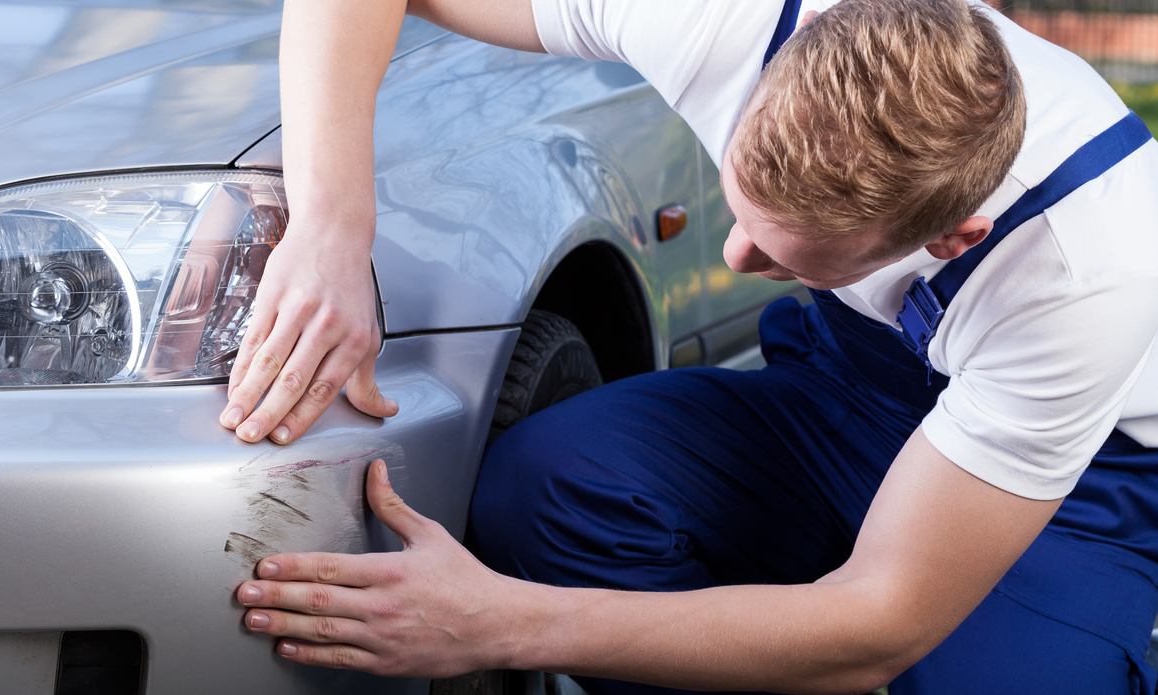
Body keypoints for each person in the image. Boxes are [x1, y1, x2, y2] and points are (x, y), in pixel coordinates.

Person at [232, 0, 1158, 692]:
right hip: (845, 395)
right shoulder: (729, 16)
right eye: (743, 207)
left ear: (953, 236)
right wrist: (331, 224)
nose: (732, 253)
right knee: (546, 486)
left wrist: (501, 625)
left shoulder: (1086, 271)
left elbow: (882, 621)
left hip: (1069, 489)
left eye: (781, 252)